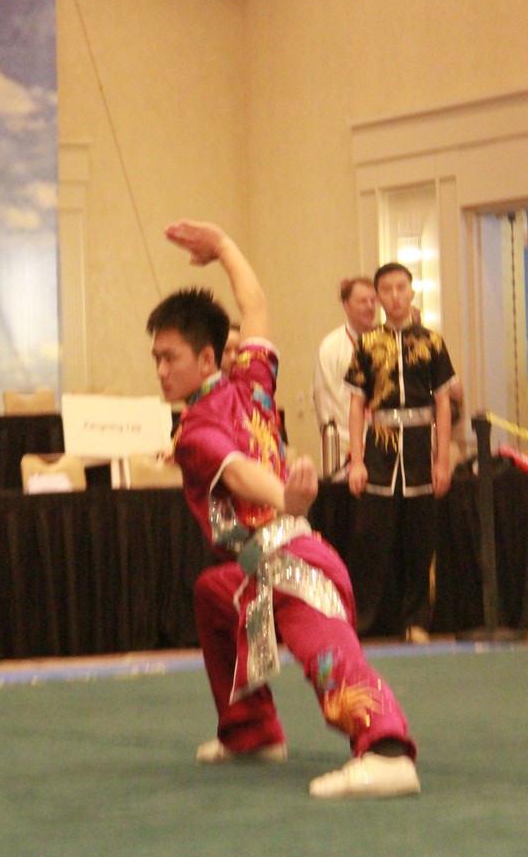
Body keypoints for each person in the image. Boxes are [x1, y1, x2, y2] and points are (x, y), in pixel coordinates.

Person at [146, 219, 419, 799]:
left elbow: (238, 472)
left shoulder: (196, 430)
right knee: (213, 593)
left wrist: (283, 498)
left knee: (328, 653)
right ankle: (251, 733)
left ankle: (387, 750)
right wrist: (224, 247)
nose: (161, 371)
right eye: (156, 359)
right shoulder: (252, 383)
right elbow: (256, 303)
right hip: (259, 568)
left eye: (170, 357)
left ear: (207, 357)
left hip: (292, 563)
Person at [345, 263, 456, 643]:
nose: (394, 296)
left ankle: (417, 621)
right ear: (378, 297)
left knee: (420, 540)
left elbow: (444, 403)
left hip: (421, 448)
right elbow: (356, 404)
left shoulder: (433, 342)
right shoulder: (366, 344)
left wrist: (442, 460)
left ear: (411, 292)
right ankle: (366, 622)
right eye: (387, 290)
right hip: (379, 449)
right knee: (372, 540)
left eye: (401, 288)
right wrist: (356, 460)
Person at [312, 277, 376, 474]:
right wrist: (356, 446)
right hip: (345, 450)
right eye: (362, 301)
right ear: (347, 306)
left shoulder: (386, 342)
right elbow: (326, 404)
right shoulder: (331, 348)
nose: (370, 306)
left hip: (383, 446)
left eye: (373, 301)